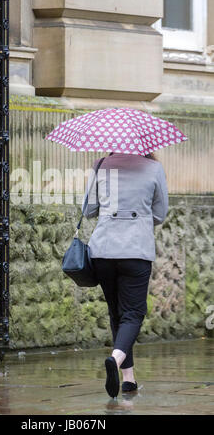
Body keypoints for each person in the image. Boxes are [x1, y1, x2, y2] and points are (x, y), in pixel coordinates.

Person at [82, 151, 169, 398]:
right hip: (136, 250)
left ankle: (128, 379)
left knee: (117, 312)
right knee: (134, 312)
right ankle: (115, 358)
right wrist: (137, 221)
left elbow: (88, 210)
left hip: (104, 250)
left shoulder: (100, 165)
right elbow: (160, 214)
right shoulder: (154, 168)